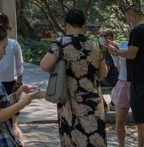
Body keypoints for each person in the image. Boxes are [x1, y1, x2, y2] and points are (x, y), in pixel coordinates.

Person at [42, 8, 106, 147]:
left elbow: (44, 65)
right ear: (83, 25)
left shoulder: (60, 43)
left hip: (69, 99)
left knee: (72, 137)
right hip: (93, 100)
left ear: (67, 25)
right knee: (94, 139)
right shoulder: (95, 45)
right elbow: (103, 73)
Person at [108, 5, 144, 147]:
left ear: (133, 15)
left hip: (139, 82)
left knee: (142, 122)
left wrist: (115, 51)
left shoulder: (137, 31)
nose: (127, 22)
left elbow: (131, 54)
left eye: (127, 18)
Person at [106, 28, 131, 147]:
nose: (129, 32)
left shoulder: (142, 46)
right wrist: (113, 53)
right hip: (122, 82)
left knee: (142, 121)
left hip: (137, 84)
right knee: (120, 121)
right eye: (128, 30)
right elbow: (118, 65)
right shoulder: (123, 44)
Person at [0, 14, 25, 98]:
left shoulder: (13, 44)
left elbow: (19, 63)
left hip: (9, 83)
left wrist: (19, 80)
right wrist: (19, 79)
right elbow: (19, 64)